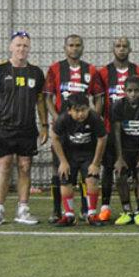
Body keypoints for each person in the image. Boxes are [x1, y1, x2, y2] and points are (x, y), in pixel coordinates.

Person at [0, 30, 47, 225]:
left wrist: (44, 126)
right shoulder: (0, 70)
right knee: (4, 166)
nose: (22, 49)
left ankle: (23, 210)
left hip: (27, 129)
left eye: (25, 45)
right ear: (11, 47)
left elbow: (41, 101)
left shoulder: (36, 72)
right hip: (4, 128)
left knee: (25, 166)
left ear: (30, 48)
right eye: (18, 45)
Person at [44, 34, 104, 223]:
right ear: (65, 48)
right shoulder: (55, 69)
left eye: (78, 45)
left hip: (85, 128)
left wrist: (92, 118)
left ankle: (87, 211)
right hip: (64, 131)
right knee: (60, 171)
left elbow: (99, 97)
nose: (75, 48)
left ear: (82, 47)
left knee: (88, 171)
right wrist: (59, 119)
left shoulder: (91, 70)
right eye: (71, 45)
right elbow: (47, 98)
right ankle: (58, 211)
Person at [97, 37, 139, 222]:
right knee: (110, 168)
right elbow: (99, 99)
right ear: (113, 49)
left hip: (137, 131)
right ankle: (106, 207)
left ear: (130, 49)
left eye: (125, 46)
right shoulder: (103, 72)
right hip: (112, 130)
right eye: (118, 46)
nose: (121, 49)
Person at [51, 94, 107, 226]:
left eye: (83, 110)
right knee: (65, 181)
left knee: (92, 179)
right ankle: (69, 215)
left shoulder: (94, 118)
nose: (81, 114)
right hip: (69, 154)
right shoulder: (63, 119)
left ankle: (91, 214)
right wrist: (63, 162)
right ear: (69, 110)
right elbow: (54, 138)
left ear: (89, 109)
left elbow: (102, 139)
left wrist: (95, 163)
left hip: (88, 153)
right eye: (77, 111)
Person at [111, 76, 139, 226]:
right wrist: (119, 157)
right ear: (124, 91)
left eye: (136, 91)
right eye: (129, 90)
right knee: (120, 175)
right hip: (125, 149)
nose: (133, 94)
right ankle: (127, 211)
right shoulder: (118, 106)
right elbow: (116, 133)